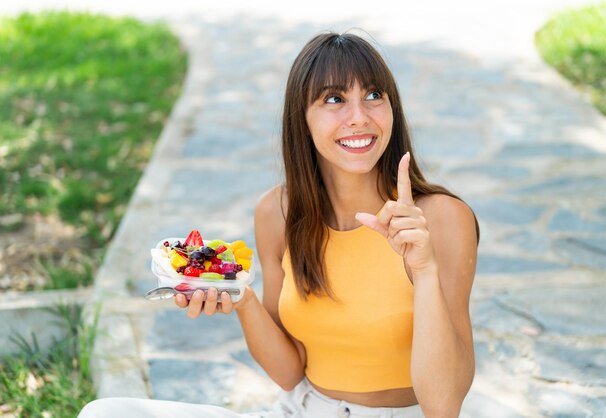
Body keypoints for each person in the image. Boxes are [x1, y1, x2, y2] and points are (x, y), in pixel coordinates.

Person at [78, 30, 479, 418]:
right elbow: (290, 371)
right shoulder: (278, 212)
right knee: (105, 412)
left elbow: (443, 408)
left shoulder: (441, 219)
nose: (359, 117)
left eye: (374, 95)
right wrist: (241, 298)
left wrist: (423, 270)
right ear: (301, 119)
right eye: (335, 99)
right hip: (300, 410)